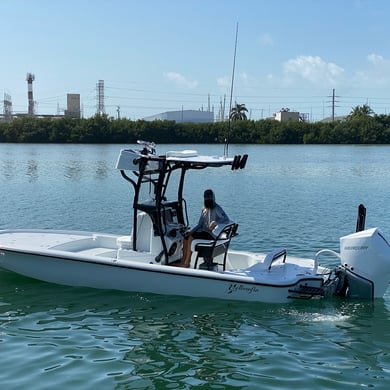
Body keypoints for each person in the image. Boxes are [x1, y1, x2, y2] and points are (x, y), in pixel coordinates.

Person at [180, 189, 231, 267]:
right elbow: (199, 224)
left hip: (211, 234)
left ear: (213, 198)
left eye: (209, 197)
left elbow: (226, 219)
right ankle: (183, 260)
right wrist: (190, 231)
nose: (207, 199)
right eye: (206, 198)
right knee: (186, 237)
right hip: (203, 232)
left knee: (190, 238)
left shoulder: (217, 208)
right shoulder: (204, 208)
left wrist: (215, 223)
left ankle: (187, 263)